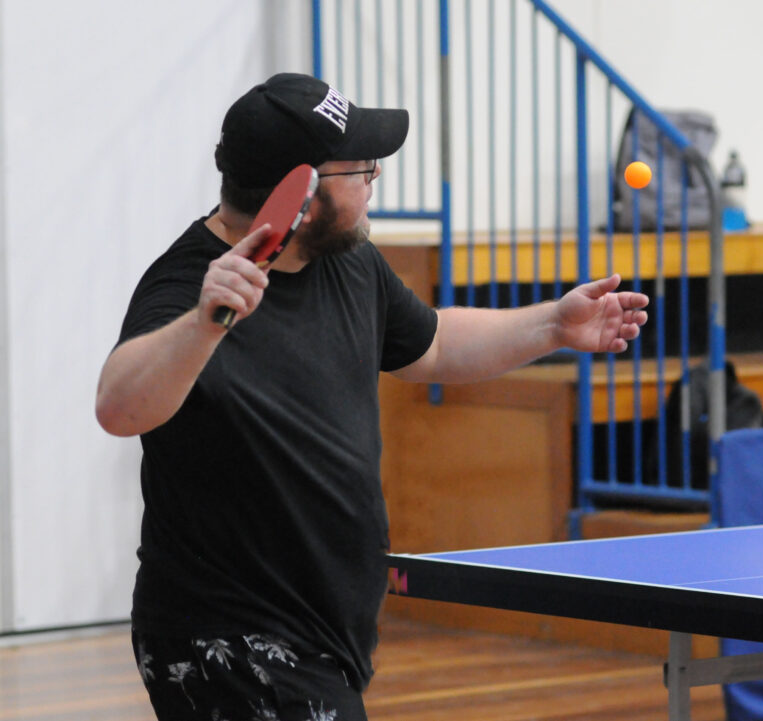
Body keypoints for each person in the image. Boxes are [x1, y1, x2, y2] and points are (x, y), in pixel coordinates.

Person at [95, 72, 649, 721]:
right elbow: (119, 407)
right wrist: (204, 323)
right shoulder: (190, 284)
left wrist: (553, 324)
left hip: (323, 633)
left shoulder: (349, 261)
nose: (376, 176)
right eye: (361, 168)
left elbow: (434, 344)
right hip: (227, 635)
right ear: (302, 194)